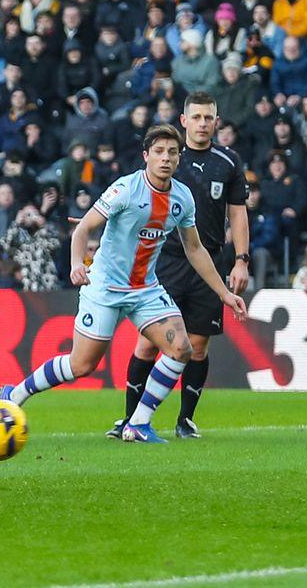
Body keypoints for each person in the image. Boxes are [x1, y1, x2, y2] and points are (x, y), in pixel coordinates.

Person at [0, 125, 247, 443]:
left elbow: (195, 248)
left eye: (172, 153)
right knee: (81, 365)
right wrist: (77, 264)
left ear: (179, 158)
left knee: (181, 349)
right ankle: (16, 393)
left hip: (145, 288)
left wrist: (224, 293)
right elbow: (83, 228)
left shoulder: (182, 197)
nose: (166, 158)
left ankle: (138, 424)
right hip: (105, 287)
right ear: (146, 156)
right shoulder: (126, 189)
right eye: (159, 152)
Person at [111, 93, 250, 440]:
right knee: (148, 344)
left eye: (209, 118)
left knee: (198, 346)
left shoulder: (228, 162)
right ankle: (130, 418)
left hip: (209, 262)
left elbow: (237, 213)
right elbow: (135, 197)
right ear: (184, 120)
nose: (203, 124)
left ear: (216, 122)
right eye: (197, 117)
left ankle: (185, 420)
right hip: (165, 260)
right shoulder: (169, 156)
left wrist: (241, 259)